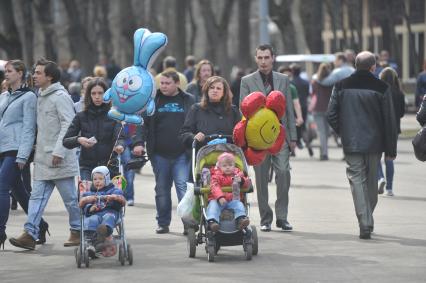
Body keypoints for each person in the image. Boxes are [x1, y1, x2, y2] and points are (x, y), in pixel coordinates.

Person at [9, 59, 81, 250]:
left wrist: (59, 151)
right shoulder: (38, 96)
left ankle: (77, 230)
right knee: (36, 198)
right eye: (34, 72)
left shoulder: (60, 96)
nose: (34, 76)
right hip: (42, 159)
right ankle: (30, 234)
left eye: (38, 73)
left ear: (49, 76)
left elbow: (70, 125)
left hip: (60, 159)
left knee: (71, 200)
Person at [327, 51, 397, 239]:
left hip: (351, 142)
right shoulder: (382, 87)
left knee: (357, 180)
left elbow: (330, 115)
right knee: (372, 182)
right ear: (374, 67)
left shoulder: (340, 85)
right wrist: (391, 149)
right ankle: (366, 220)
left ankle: (365, 220)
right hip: (375, 143)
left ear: (355, 65)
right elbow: (389, 120)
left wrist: (344, 131)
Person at [240, 44, 297, 232]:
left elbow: (288, 109)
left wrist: (292, 137)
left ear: (273, 58)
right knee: (261, 178)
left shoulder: (283, 79)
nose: (263, 61)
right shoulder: (247, 81)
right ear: (256, 59)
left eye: (266, 57)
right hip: (257, 140)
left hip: (279, 135)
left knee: (283, 172)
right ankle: (266, 218)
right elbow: (243, 111)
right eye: (260, 57)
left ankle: (282, 217)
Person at [133, 71, 195, 234]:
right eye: (162, 83)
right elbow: (141, 124)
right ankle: (163, 222)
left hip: (182, 153)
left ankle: (188, 223)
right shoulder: (152, 101)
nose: (164, 86)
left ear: (176, 84)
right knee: (162, 189)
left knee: (183, 188)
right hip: (159, 154)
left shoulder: (188, 100)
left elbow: (196, 122)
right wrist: (138, 143)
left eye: (167, 83)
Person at [0, 60, 49, 248]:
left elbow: (29, 127)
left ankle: (0, 231)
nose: (6, 73)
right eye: (5, 71)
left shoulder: (29, 97)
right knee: (18, 191)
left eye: (10, 71)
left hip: (16, 149)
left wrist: (23, 155)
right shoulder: (3, 96)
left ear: (20, 74)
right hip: (2, 149)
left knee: (2, 187)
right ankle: (41, 225)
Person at [63, 78, 125, 181]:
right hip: (87, 168)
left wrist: (120, 145)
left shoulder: (114, 116)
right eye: (93, 93)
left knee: (110, 197)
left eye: (100, 93)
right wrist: (79, 139)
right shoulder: (81, 116)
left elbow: (120, 136)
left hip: (110, 167)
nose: (97, 97)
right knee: (87, 197)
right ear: (89, 95)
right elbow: (66, 141)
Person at [180, 76, 241, 149]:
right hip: (203, 154)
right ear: (207, 90)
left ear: (224, 92)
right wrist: (193, 137)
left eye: (218, 88)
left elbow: (240, 134)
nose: (215, 90)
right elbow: (184, 133)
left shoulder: (233, 110)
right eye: (212, 87)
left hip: (229, 154)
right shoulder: (196, 109)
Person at [79, 166, 126, 257]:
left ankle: (104, 232)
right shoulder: (88, 193)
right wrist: (90, 208)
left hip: (110, 212)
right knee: (92, 219)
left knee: (108, 217)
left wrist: (113, 198)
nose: (97, 181)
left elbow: (120, 201)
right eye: (95, 179)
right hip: (95, 214)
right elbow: (83, 205)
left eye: (101, 179)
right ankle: (92, 242)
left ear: (107, 179)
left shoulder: (114, 190)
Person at [376, 67, 405, 197]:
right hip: (394, 129)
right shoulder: (399, 93)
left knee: (375, 156)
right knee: (389, 158)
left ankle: (380, 177)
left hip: (379, 127)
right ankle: (389, 188)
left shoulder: (378, 91)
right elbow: (402, 113)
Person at [206, 152, 250, 232]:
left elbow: (247, 183)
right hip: (218, 200)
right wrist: (220, 197)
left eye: (230, 165)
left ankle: (241, 219)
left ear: (234, 165)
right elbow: (214, 186)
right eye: (224, 166)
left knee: (239, 204)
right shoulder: (216, 175)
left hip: (233, 200)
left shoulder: (237, 174)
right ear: (219, 166)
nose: (228, 168)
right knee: (213, 206)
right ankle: (212, 222)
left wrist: (242, 181)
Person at [311, 63, 333, 160]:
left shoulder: (315, 81)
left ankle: (324, 153)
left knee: (321, 132)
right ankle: (324, 151)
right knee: (327, 132)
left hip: (317, 108)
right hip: (329, 108)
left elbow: (312, 94)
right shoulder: (332, 82)